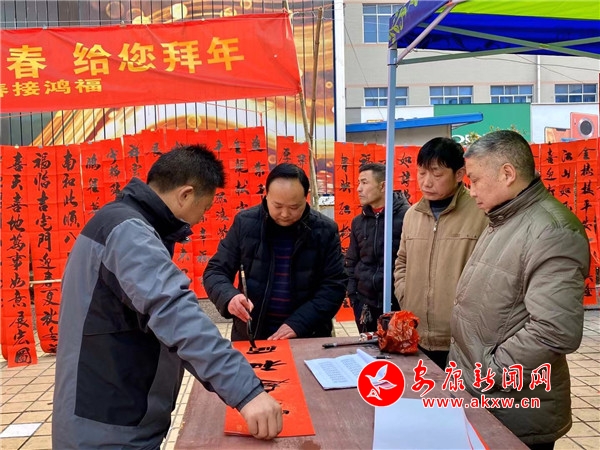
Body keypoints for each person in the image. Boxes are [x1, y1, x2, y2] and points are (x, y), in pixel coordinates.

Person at [53, 144, 282, 449]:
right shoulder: (128, 232)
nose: (200, 219)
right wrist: (246, 391)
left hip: (106, 410)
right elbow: (175, 312)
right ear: (185, 194)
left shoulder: (118, 221)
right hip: (109, 426)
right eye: (205, 208)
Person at [449, 130, 590, 449]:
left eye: (475, 180)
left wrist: (490, 372)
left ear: (507, 174)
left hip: (511, 405)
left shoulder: (551, 231)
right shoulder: (504, 218)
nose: (471, 191)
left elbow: (555, 330)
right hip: (480, 394)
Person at [204, 163, 347, 341]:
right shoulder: (245, 223)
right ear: (266, 195)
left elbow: (334, 285)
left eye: (294, 207)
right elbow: (216, 271)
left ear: (306, 197)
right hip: (253, 335)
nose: (285, 214)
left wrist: (299, 323)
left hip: (307, 334)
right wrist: (229, 297)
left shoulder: (324, 230)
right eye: (277, 206)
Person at [393, 137, 488, 369]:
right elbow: (402, 261)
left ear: (459, 174)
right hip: (416, 335)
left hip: (463, 340)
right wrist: (405, 294)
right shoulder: (412, 215)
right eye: (422, 173)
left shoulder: (481, 213)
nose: (426, 182)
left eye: (436, 174)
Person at [344, 162, 410, 333]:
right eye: (358, 183)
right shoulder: (359, 222)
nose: (359, 189)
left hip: (398, 305)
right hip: (364, 304)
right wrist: (353, 295)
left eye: (364, 182)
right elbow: (351, 260)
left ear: (382, 186)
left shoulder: (408, 217)